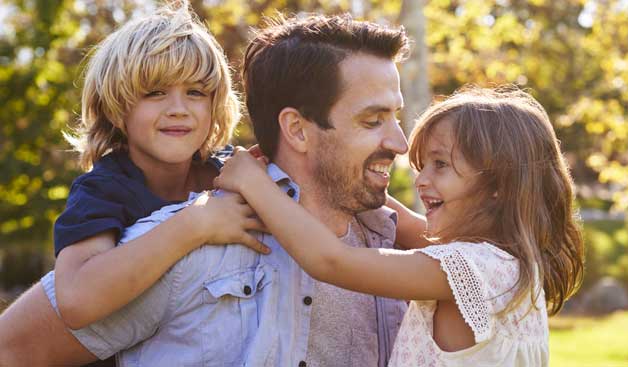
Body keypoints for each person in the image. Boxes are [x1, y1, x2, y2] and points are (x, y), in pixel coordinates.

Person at [0, 8, 419, 367]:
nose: (178, 109)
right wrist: (195, 225)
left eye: (196, 92)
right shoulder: (108, 191)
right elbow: (70, 303)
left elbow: (370, 202)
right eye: (155, 93)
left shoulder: (233, 169)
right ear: (118, 106)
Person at [215, 86, 586, 366]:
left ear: (498, 186)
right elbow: (405, 224)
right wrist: (340, 175)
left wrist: (254, 184)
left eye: (440, 165)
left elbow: (331, 261)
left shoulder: (471, 270)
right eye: (422, 165)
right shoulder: (505, 263)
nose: (421, 180)